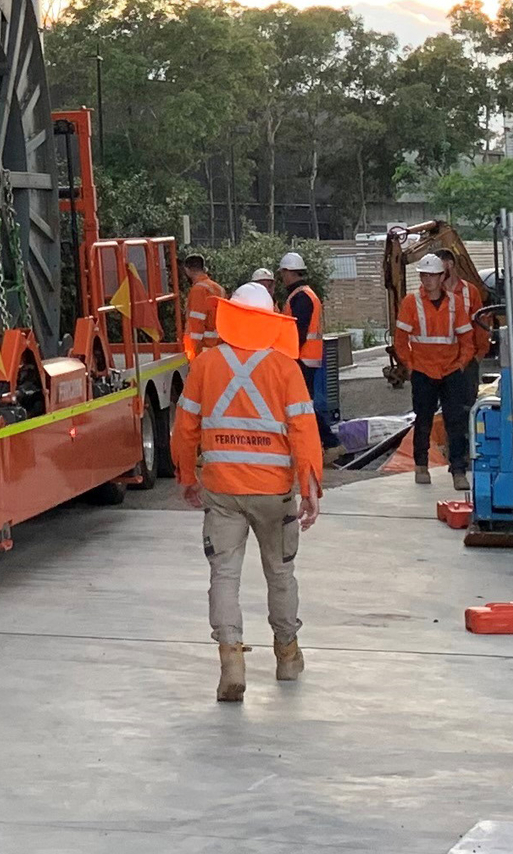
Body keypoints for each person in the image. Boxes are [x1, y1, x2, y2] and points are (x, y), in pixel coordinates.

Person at [175, 281, 328, 702]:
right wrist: (310, 488)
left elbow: (185, 427)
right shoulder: (284, 367)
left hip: (223, 492)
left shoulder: (205, 365)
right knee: (280, 574)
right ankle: (287, 655)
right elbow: (303, 431)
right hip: (274, 494)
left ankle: (231, 660)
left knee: (223, 575)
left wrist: (188, 476)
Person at [394, 253, 486, 489]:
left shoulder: (455, 303)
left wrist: (462, 363)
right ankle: (421, 465)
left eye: (432, 275)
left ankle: (458, 470)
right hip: (424, 371)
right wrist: (411, 366)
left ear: (442, 276)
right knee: (422, 419)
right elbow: (401, 340)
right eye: (424, 275)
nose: (427, 280)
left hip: (450, 370)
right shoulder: (411, 302)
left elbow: (466, 337)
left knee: (455, 421)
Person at [275, 253, 335, 447]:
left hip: (302, 359)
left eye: (283, 273)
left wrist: (288, 358)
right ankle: (323, 443)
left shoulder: (300, 297)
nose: (282, 278)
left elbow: (297, 332)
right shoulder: (304, 294)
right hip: (307, 358)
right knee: (304, 404)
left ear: (289, 272)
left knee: (303, 405)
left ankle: (329, 442)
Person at [180, 254, 226, 357]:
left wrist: (194, 352)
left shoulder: (198, 290)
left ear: (187, 270)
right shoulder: (219, 289)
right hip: (220, 345)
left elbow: (196, 323)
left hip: (205, 347)